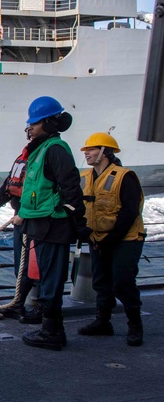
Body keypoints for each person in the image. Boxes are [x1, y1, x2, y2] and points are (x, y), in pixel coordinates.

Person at [14, 96, 85, 351]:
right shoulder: (42, 150)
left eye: (33, 123)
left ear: (47, 122)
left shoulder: (55, 149)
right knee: (46, 275)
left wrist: (79, 222)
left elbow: (71, 188)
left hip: (54, 223)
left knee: (52, 277)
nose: (29, 128)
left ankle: (53, 331)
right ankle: (49, 325)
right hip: (41, 223)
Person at [76, 132, 146, 346]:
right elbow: (79, 207)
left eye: (92, 149)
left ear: (105, 152)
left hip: (126, 238)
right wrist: (86, 233)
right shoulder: (85, 177)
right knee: (101, 282)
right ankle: (103, 322)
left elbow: (130, 212)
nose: (86, 153)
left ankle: (135, 325)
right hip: (97, 238)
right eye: (86, 149)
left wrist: (108, 240)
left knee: (123, 282)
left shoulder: (125, 176)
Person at [0, 138, 37, 322]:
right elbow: (10, 183)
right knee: (21, 266)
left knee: (35, 266)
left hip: (36, 221)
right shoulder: (23, 159)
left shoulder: (44, 159)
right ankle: (19, 304)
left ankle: (41, 308)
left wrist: (24, 213)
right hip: (20, 220)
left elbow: (42, 191)